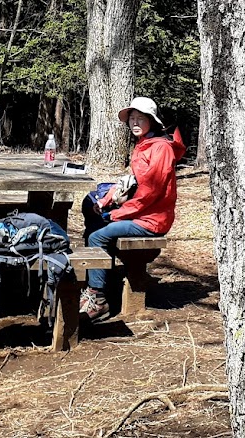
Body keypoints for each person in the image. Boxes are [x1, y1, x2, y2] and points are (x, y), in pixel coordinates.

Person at [80, 95, 185, 322]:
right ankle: (94, 287)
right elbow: (132, 181)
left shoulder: (161, 149)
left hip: (153, 220)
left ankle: (98, 301)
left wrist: (116, 214)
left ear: (152, 121)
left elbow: (150, 191)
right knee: (92, 221)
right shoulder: (144, 145)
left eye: (140, 118)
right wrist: (105, 201)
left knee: (98, 236)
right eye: (132, 119)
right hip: (141, 214)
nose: (135, 123)